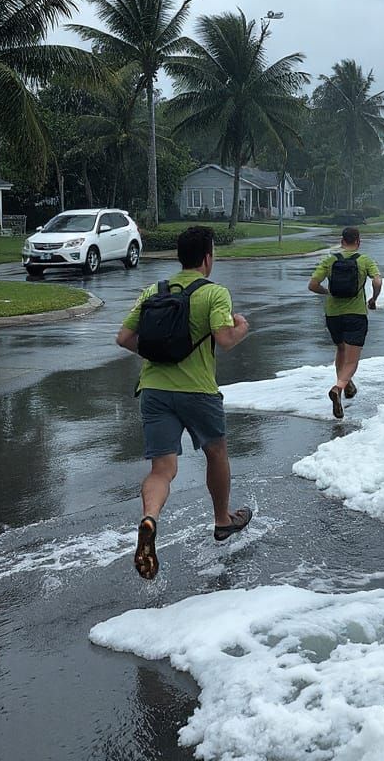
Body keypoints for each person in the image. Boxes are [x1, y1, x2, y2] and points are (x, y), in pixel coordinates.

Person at [116, 225, 252, 580]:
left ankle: (149, 519)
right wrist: (241, 327)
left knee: (162, 470)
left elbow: (124, 337)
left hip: (153, 390)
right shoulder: (215, 293)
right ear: (207, 257)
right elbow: (224, 339)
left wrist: (159, 355)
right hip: (198, 391)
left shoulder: (153, 291)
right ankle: (222, 520)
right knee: (216, 452)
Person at [307, 226, 382, 419]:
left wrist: (328, 292)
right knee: (352, 360)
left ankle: (346, 385)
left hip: (333, 315)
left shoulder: (330, 260)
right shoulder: (365, 260)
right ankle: (338, 387)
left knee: (340, 350)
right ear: (358, 241)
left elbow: (312, 285)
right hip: (356, 315)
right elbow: (377, 282)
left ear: (342, 241)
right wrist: (373, 298)